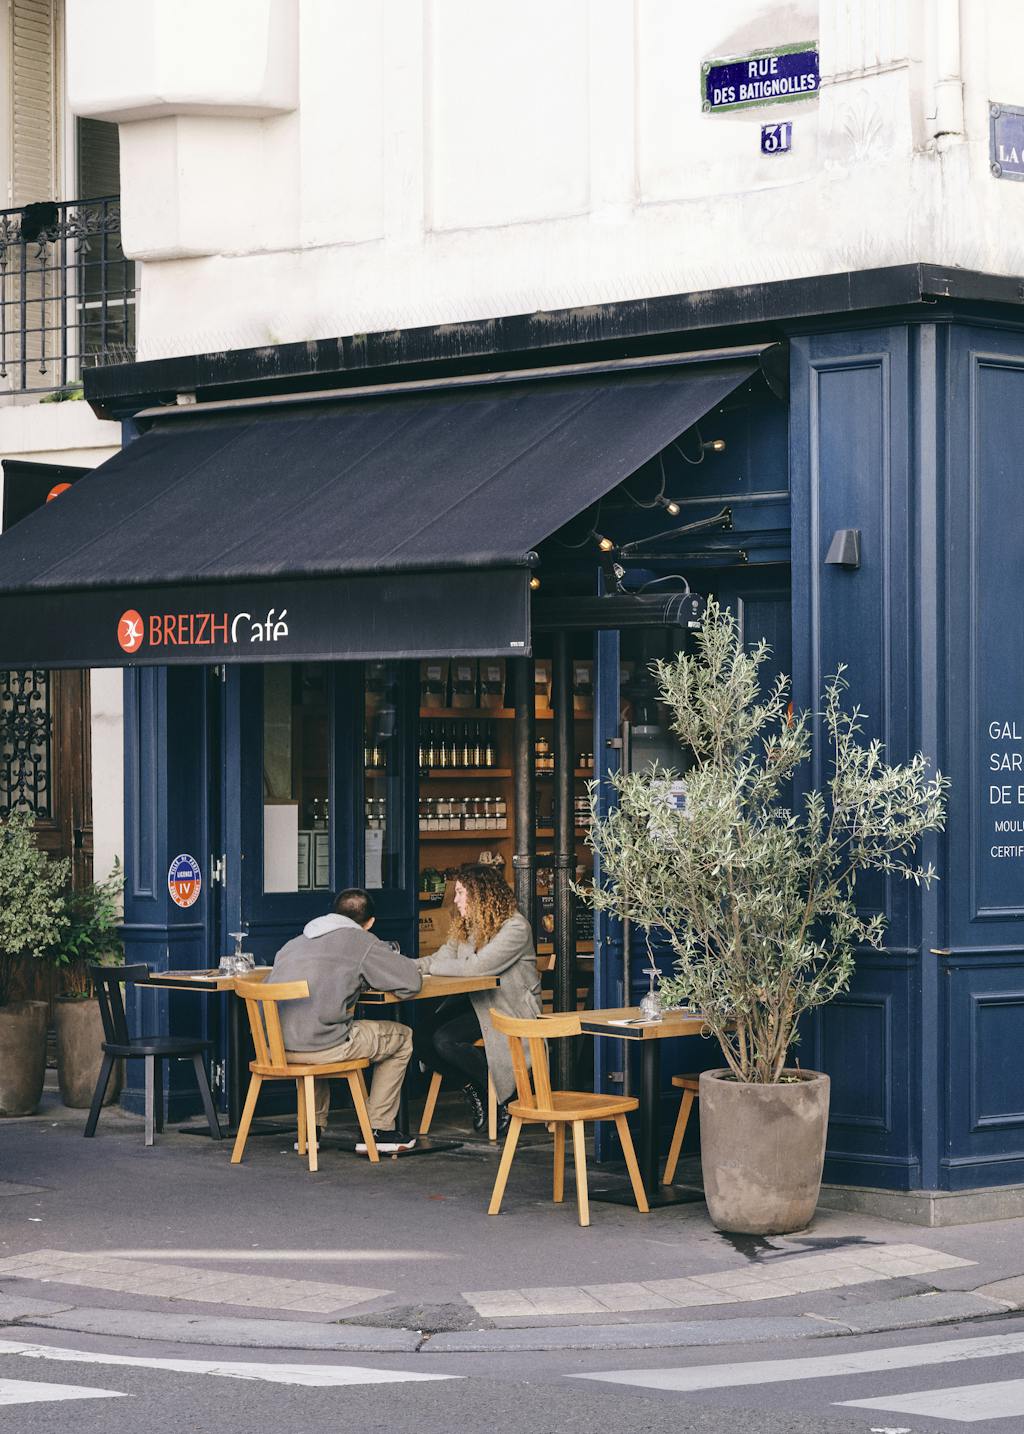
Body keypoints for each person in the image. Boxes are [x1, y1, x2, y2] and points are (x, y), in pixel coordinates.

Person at [268, 887, 421, 1154]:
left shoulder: (293, 943)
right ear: (369, 923)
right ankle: (378, 1130)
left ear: (333, 913)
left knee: (315, 1027)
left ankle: (310, 1130)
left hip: (277, 1048)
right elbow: (411, 982)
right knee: (402, 1037)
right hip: (323, 1048)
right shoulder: (361, 941)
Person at [414, 864, 540, 1134]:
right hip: (477, 1003)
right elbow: (439, 959)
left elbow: (477, 968)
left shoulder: (515, 927)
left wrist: (432, 968)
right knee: (420, 1037)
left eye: (460, 893)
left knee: (445, 1039)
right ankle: (476, 1089)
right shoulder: (468, 926)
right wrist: (406, 967)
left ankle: (501, 1098)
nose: (455, 899)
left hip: (508, 1008)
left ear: (482, 894)